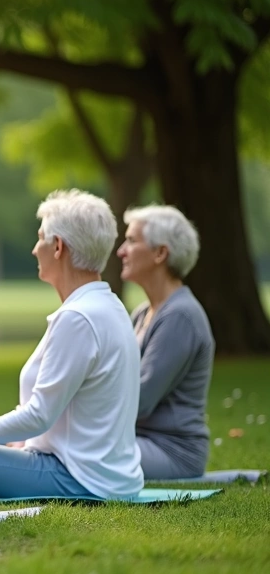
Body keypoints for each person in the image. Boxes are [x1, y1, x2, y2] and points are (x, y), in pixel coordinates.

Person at [0, 189, 143, 500]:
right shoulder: (108, 306)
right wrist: (11, 440)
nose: (35, 249)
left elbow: (38, 416)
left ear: (59, 246)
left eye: (41, 238)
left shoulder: (78, 317)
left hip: (78, 478)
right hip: (106, 476)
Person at [117, 205, 214, 479]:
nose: (121, 250)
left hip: (171, 451)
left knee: (72, 452)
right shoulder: (143, 313)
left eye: (132, 241)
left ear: (160, 253)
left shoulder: (180, 316)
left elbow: (141, 400)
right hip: (138, 442)